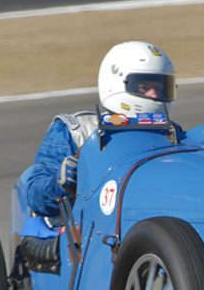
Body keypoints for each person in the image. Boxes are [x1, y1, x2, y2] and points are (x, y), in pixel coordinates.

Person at [25, 41, 177, 217]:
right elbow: (35, 198)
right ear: (117, 82)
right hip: (83, 228)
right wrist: (59, 183)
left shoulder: (171, 133)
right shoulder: (76, 130)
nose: (154, 95)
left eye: (159, 88)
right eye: (144, 87)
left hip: (150, 217)